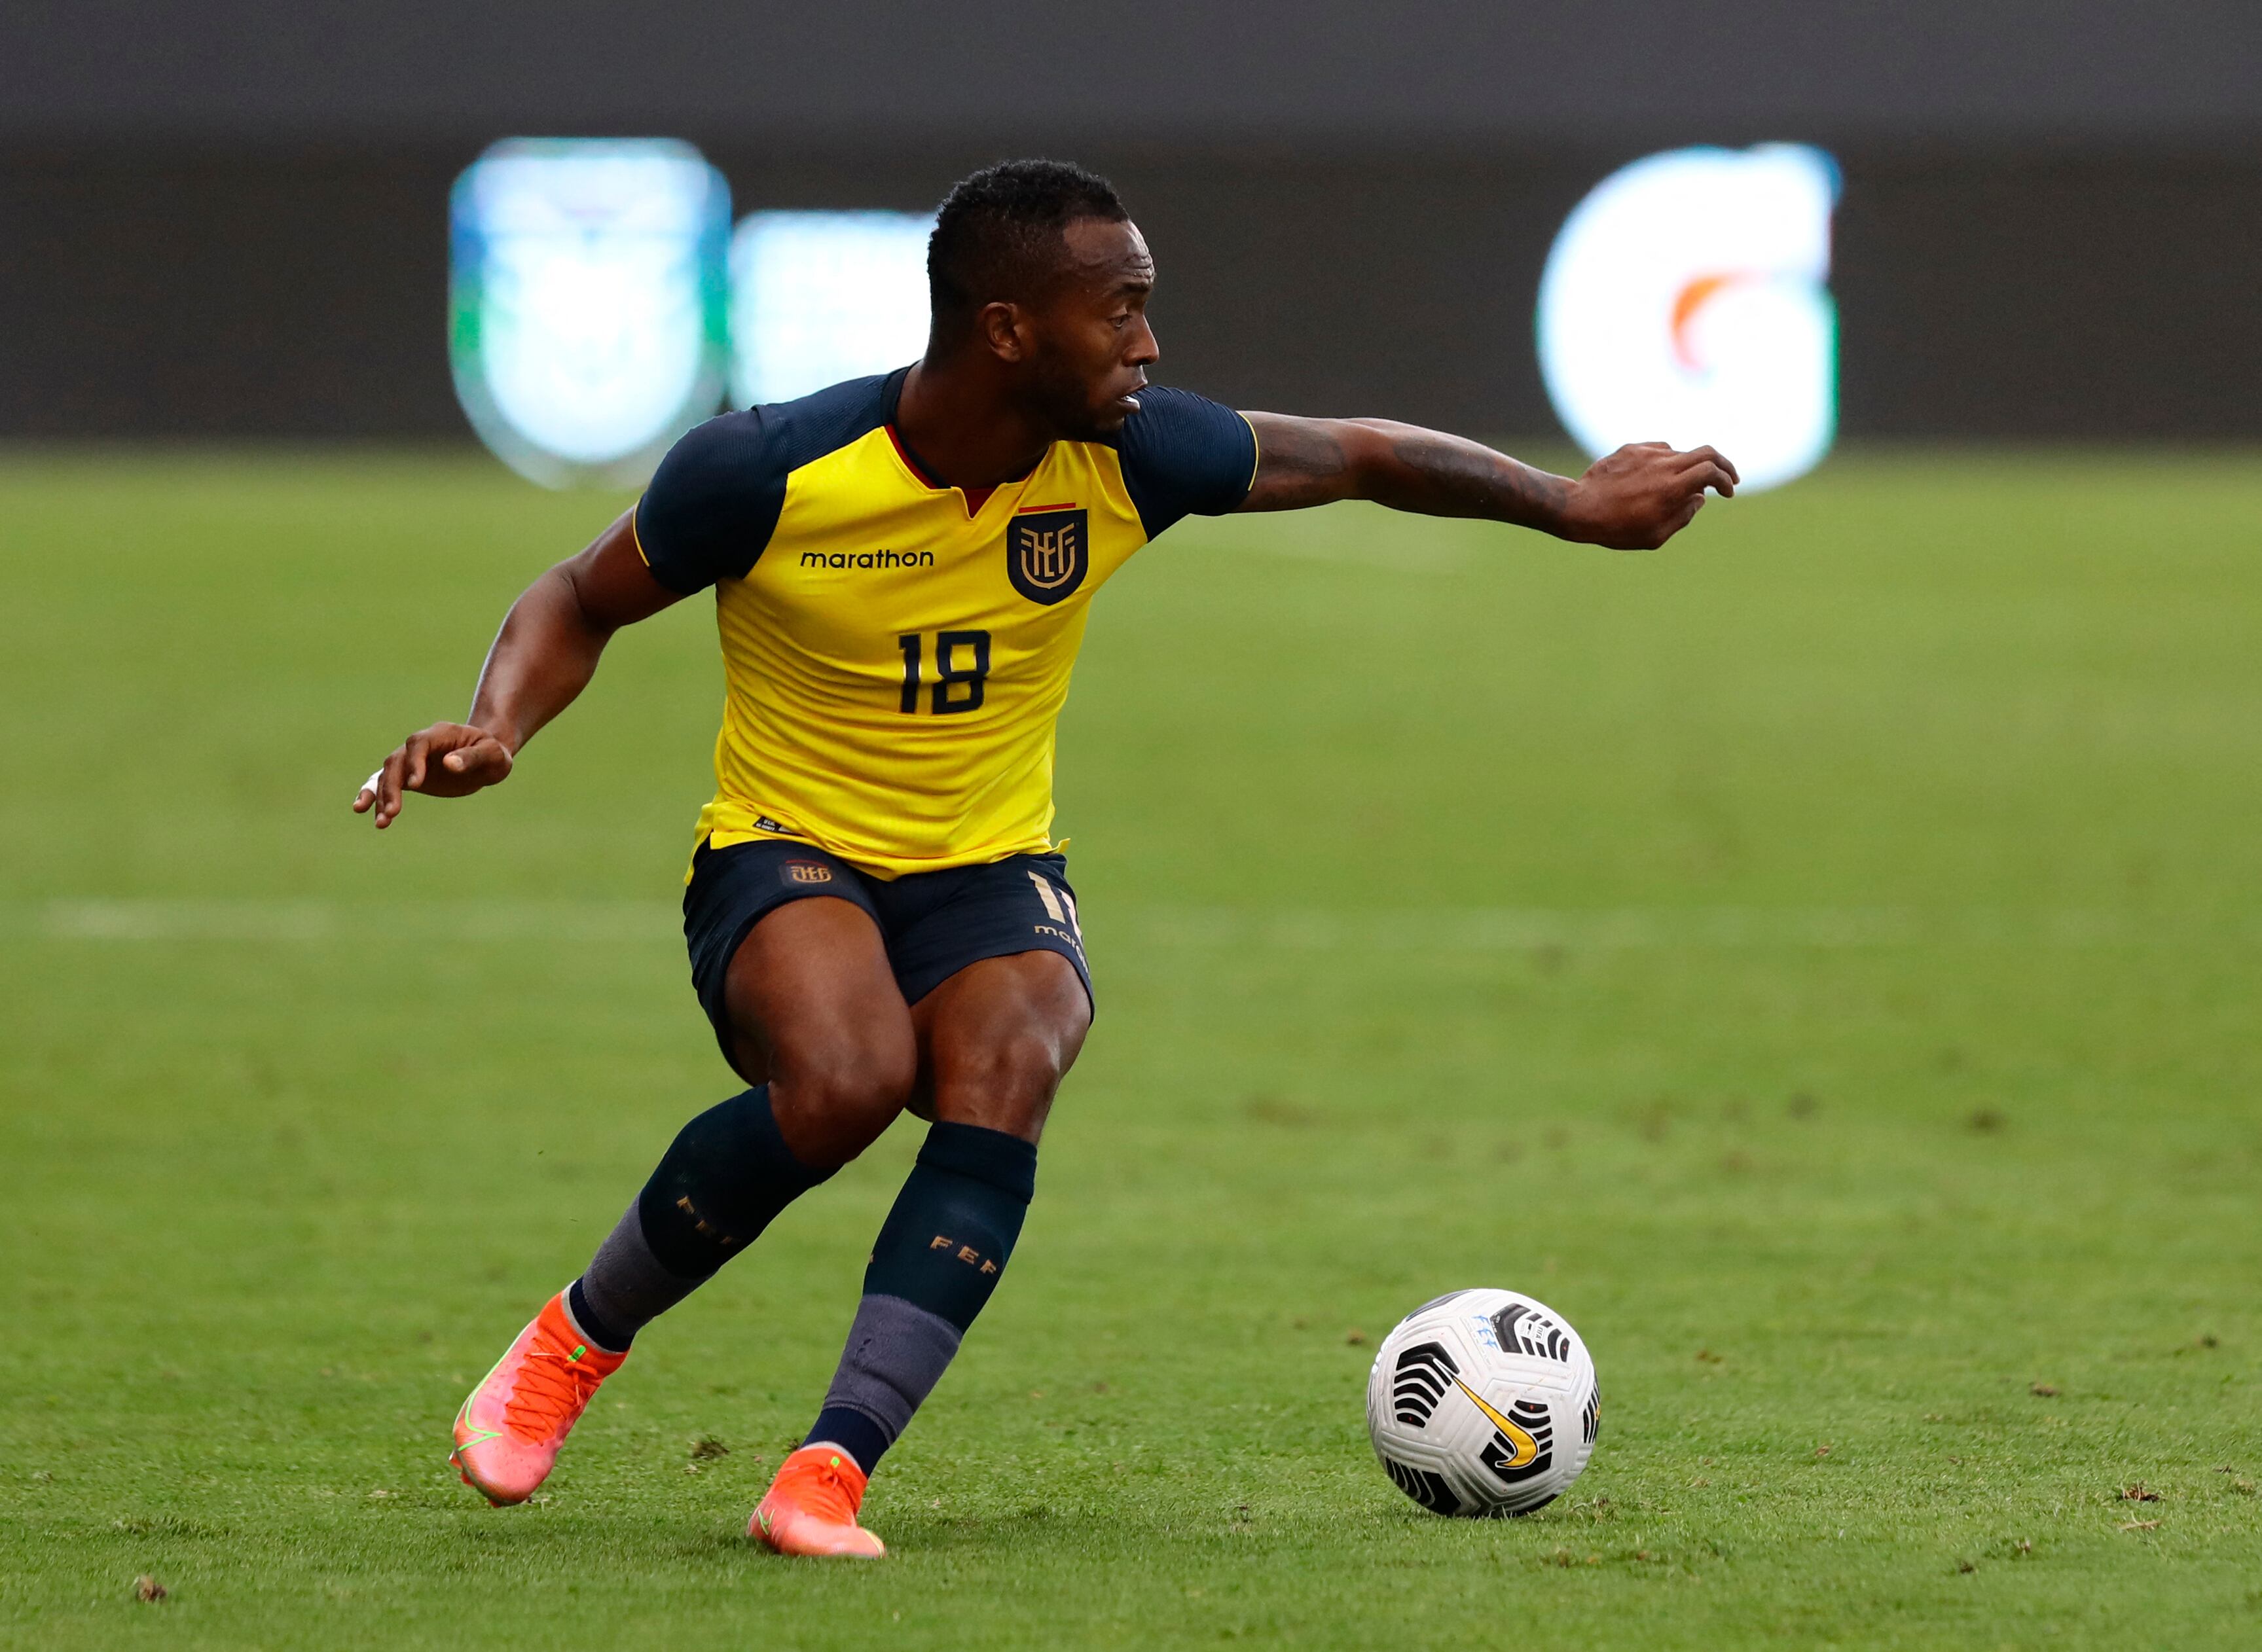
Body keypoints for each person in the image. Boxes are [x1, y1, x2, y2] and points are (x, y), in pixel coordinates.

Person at [354, 158, 1734, 1558]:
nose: (1148, 344)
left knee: (1016, 1051)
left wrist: (1572, 503)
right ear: (1009, 328)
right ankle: (570, 1344)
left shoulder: (1132, 457)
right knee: (845, 1080)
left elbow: (1361, 451)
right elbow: (576, 596)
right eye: (1122, 310)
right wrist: (497, 724)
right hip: (785, 848)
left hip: (988, 860)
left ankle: (827, 1471)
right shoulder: (769, 469)